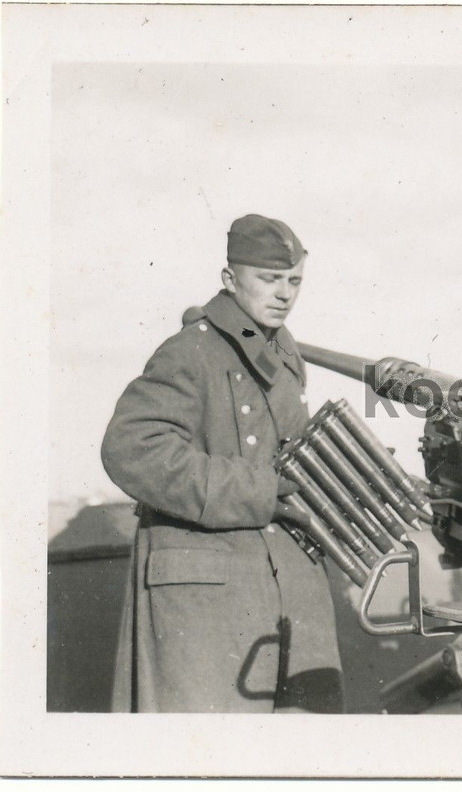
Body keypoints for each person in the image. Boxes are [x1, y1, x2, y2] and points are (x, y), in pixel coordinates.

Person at [102, 213, 344, 713]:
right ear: (230, 280)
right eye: (269, 279)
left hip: (282, 589)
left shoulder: (279, 353)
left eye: (294, 281)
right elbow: (130, 447)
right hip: (209, 601)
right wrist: (257, 490)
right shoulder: (191, 351)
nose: (284, 293)